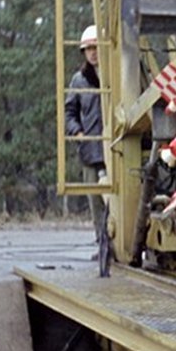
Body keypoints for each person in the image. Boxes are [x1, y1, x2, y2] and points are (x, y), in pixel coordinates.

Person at [65, 25, 106, 256]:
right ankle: (103, 247)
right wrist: (78, 133)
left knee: (118, 203)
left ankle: (122, 246)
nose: (92, 53)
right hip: (91, 151)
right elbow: (70, 112)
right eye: (88, 49)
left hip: (116, 149)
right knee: (96, 204)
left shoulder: (118, 76)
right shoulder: (79, 80)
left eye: (96, 47)